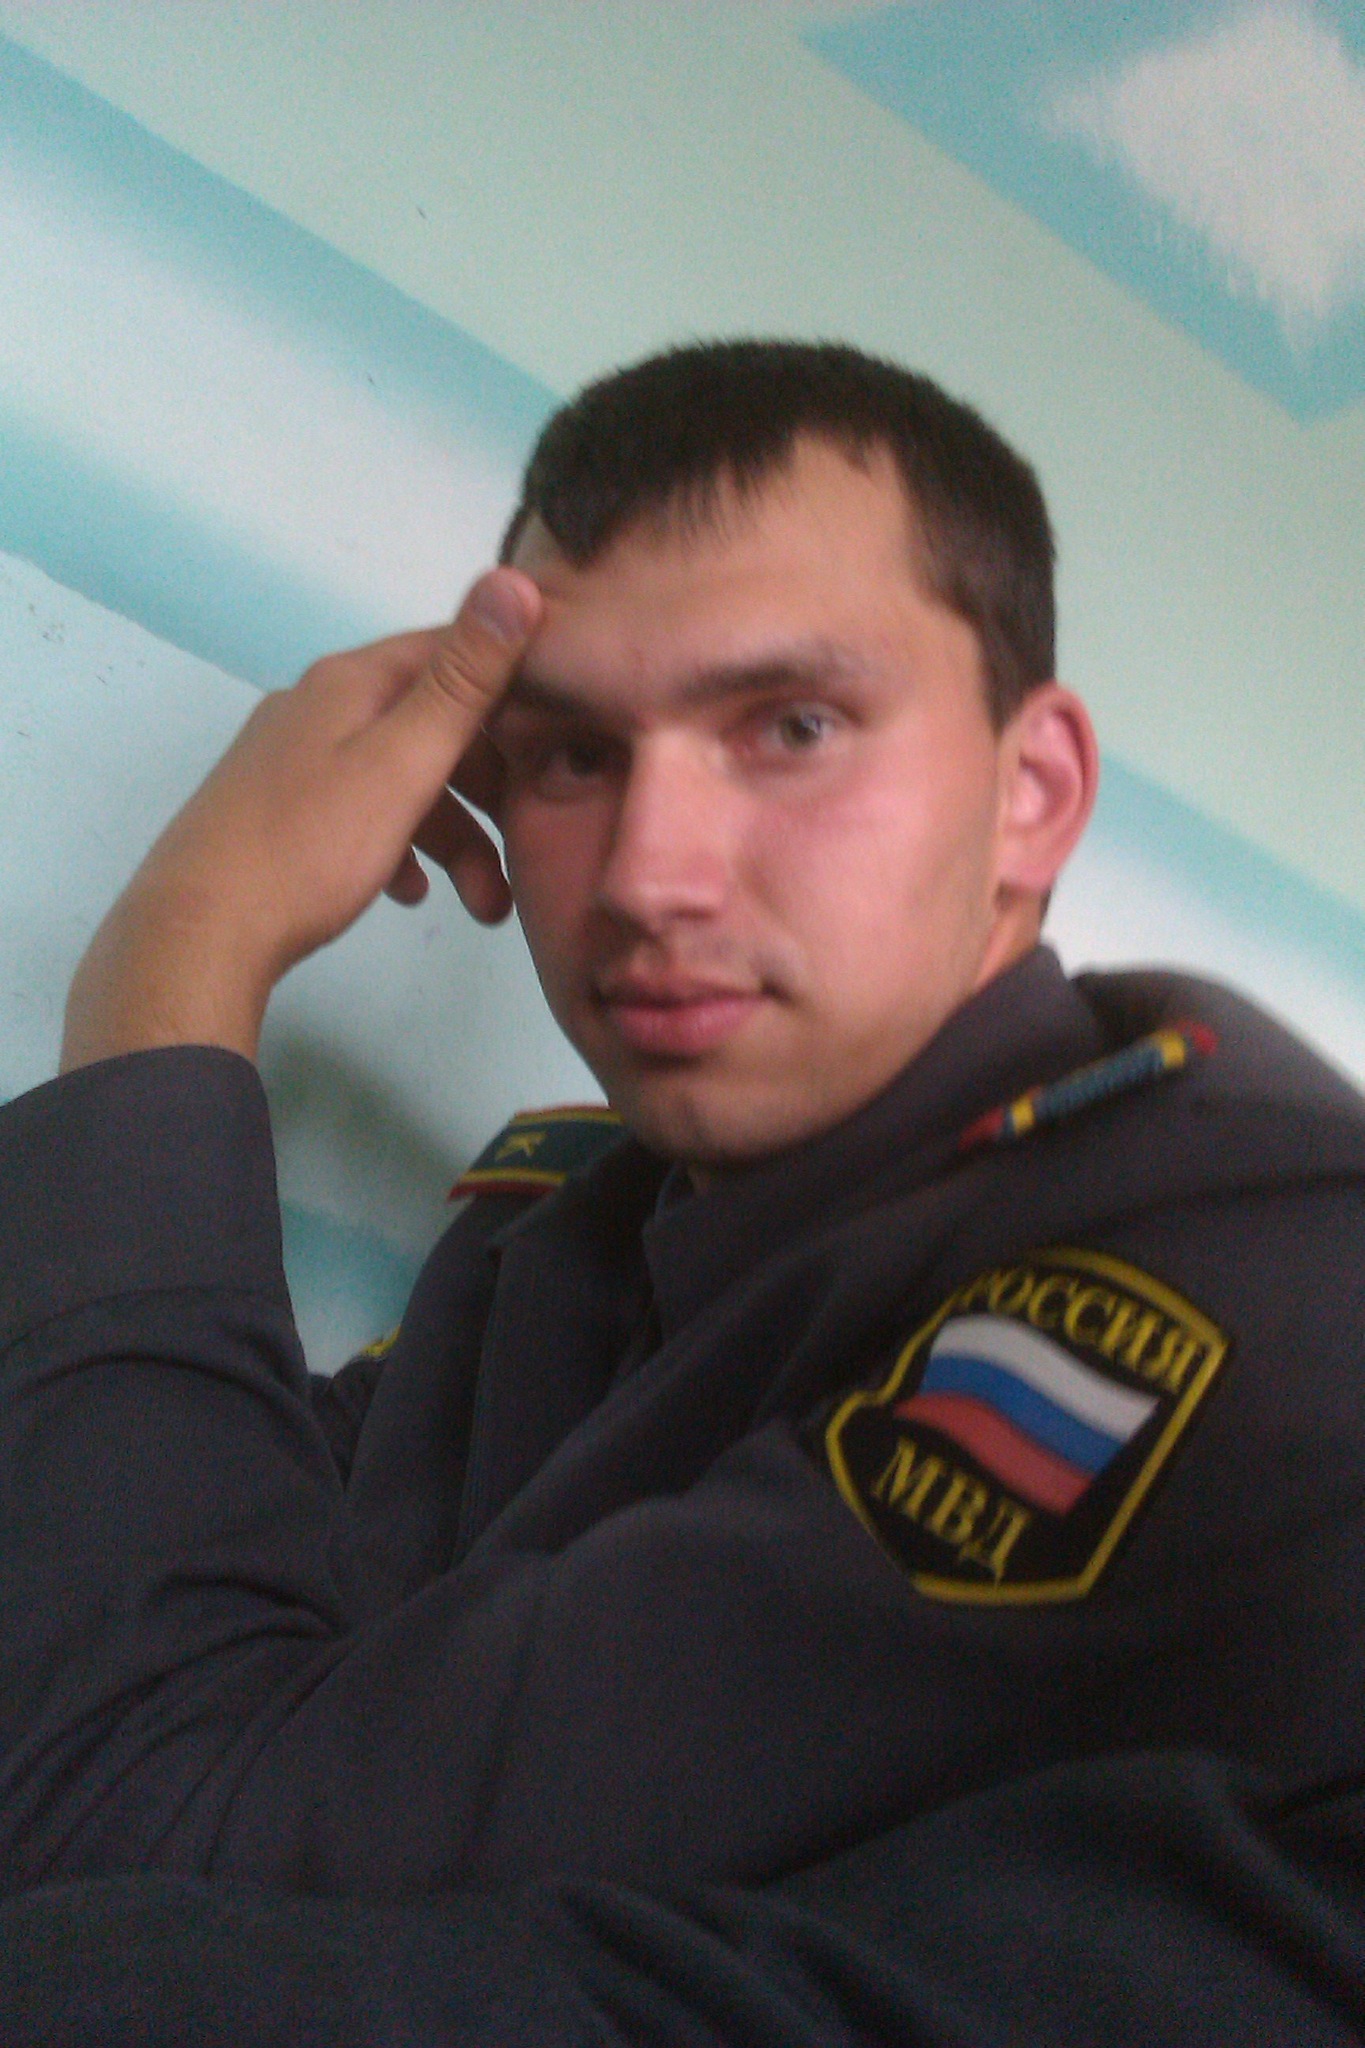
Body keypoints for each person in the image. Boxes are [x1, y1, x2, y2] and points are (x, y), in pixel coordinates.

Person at [3, 340, 1365, 2046]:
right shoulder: (579, 1225)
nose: (649, 878)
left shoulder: (1239, 1282)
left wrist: (178, 950)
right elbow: (150, 1627)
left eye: (791, 729)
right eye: (570, 754)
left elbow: (136, 1836)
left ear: (1032, 796)